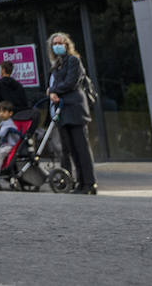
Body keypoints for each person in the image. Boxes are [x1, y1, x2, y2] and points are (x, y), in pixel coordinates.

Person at [47, 31, 96, 195]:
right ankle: (80, 183)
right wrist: (52, 92)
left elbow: (70, 82)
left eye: (61, 43)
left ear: (67, 45)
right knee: (72, 149)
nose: (58, 46)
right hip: (63, 110)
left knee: (81, 147)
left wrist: (52, 91)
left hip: (75, 108)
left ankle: (89, 183)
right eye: (55, 44)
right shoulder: (57, 64)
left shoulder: (74, 60)